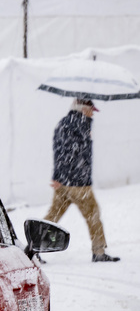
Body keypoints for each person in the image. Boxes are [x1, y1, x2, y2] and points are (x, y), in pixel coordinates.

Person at [45, 97, 118, 262]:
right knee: (93, 214)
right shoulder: (79, 124)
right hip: (78, 183)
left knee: (53, 217)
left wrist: (58, 177)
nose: (92, 114)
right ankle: (99, 252)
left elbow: (58, 151)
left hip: (63, 182)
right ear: (83, 108)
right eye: (91, 110)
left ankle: (32, 249)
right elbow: (73, 154)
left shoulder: (63, 123)